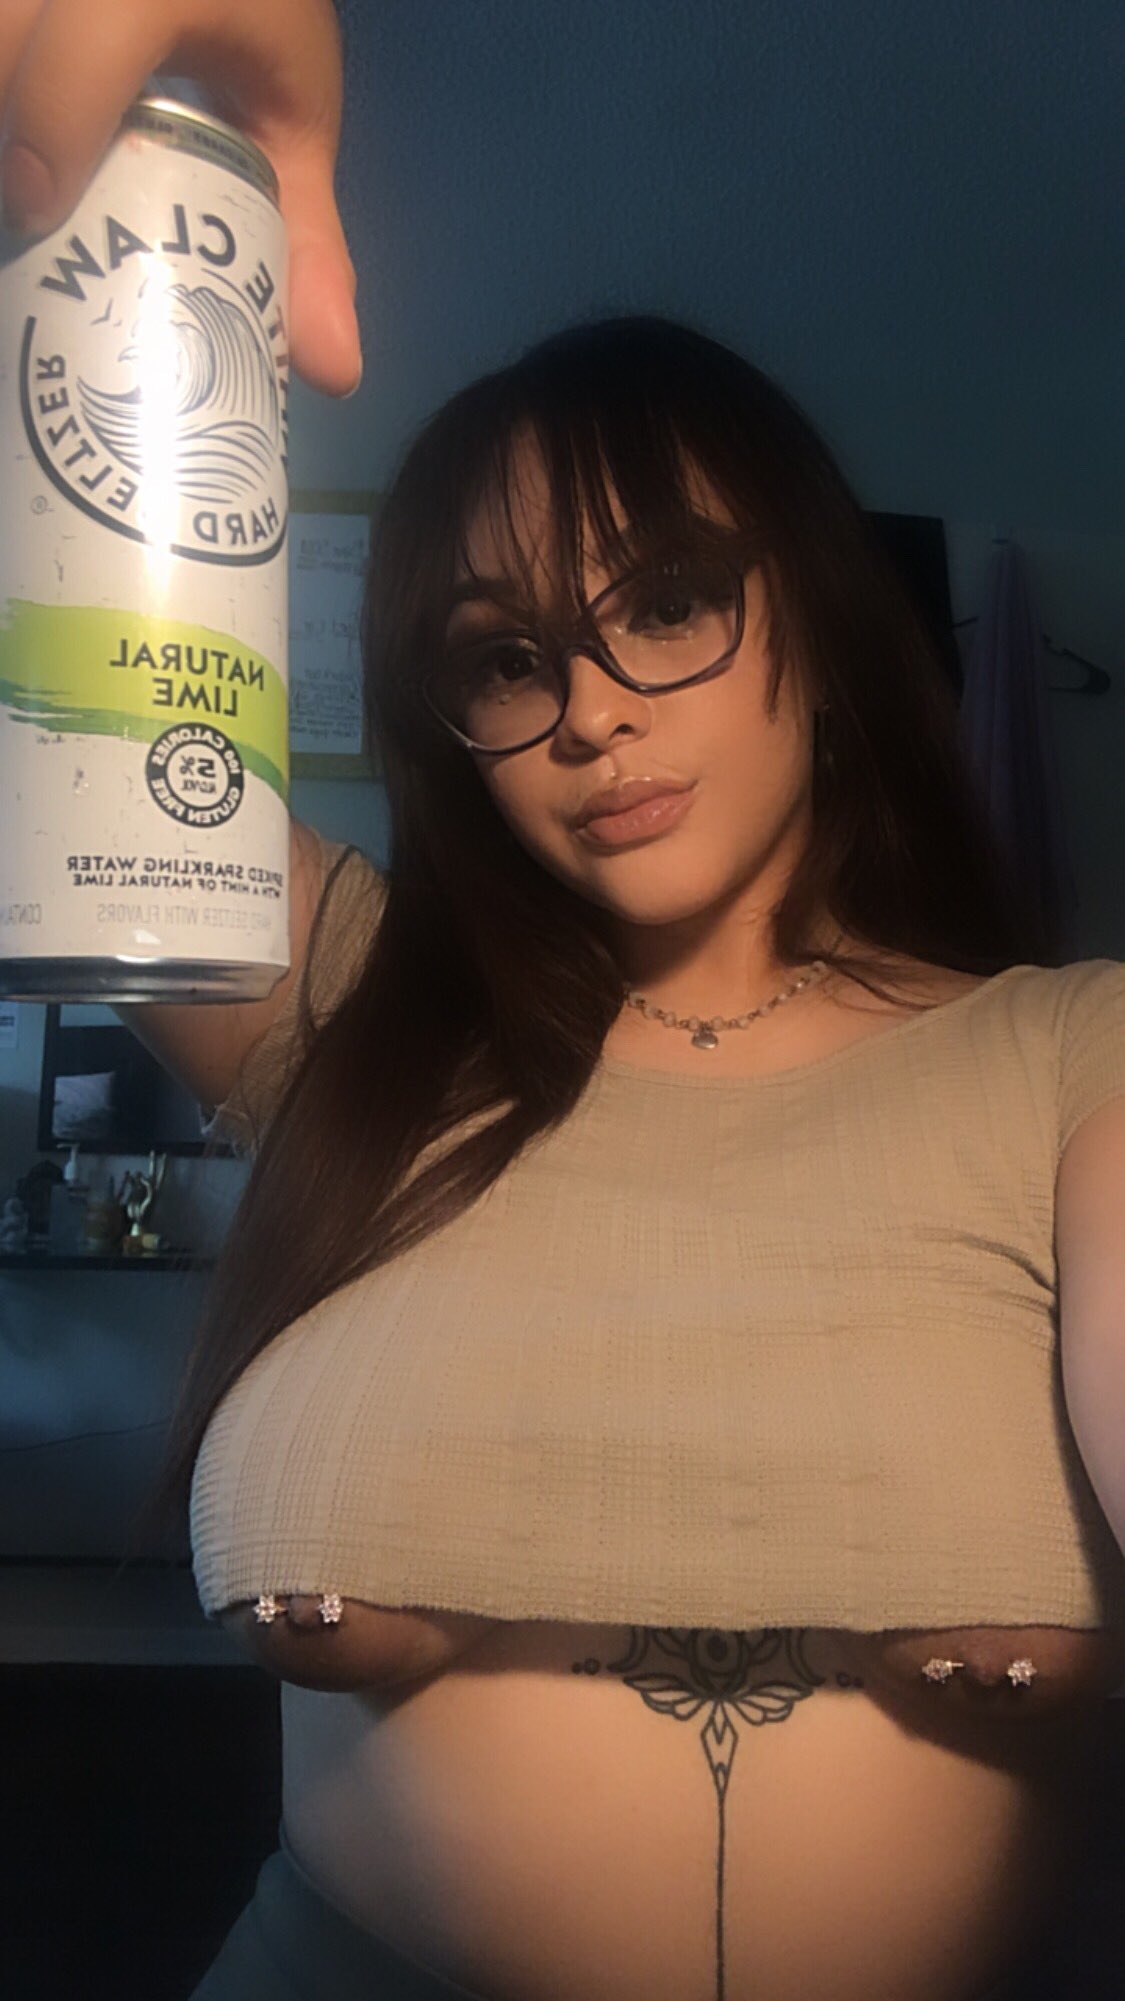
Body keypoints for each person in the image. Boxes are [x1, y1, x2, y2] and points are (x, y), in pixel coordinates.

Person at [8, 6, 1125, 1998]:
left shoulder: (1068, 1053)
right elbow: (64, 703)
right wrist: (93, 165)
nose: (590, 706)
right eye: (502, 654)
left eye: (667, 600)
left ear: (812, 623)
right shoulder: (357, 1011)